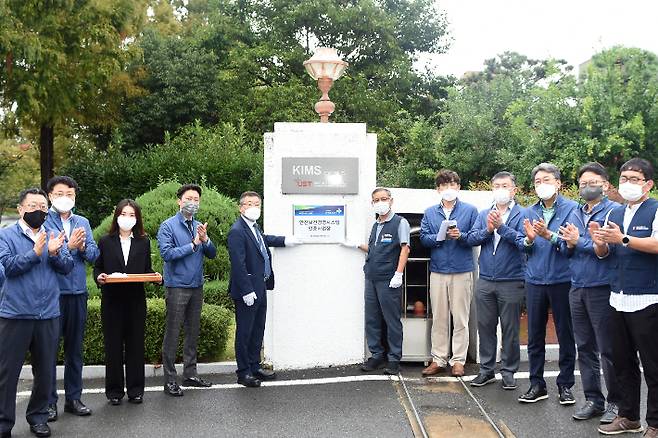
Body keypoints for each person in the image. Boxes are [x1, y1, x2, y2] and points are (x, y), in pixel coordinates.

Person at [592, 158, 658, 437]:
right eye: (624, 178)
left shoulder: (655, 210)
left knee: (654, 365)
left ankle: (655, 422)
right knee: (621, 361)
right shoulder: (615, 213)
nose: (628, 183)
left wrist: (624, 239)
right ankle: (629, 416)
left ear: (648, 184)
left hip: (648, 298)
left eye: (634, 178)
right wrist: (599, 244)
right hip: (616, 297)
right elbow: (605, 255)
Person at [0, 188, 73, 438]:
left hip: (48, 315)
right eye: (32, 206)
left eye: (43, 207)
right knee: (7, 374)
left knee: (45, 371)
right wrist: (35, 254)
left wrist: (53, 253)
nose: (38, 211)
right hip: (15, 315)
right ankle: (3, 423)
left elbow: (67, 266)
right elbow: (9, 267)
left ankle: (39, 417)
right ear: (20, 209)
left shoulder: (54, 234)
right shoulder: (6, 236)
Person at [557, 163, 621, 423]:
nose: (586, 187)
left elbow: (609, 251)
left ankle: (617, 403)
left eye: (592, 182)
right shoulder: (574, 212)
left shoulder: (614, 212)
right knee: (584, 347)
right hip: (577, 286)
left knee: (609, 349)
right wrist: (571, 244)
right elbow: (564, 248)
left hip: (602, 288)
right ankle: (594, 399)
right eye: (582, 183)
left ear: (605, 184)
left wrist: (578, 242)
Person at [518, 162, 578, 405]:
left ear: (558, 183)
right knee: (534, 335)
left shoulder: (572, 209)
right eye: (537, 182)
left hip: (562, 279)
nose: (541, 185)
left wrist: (548, 236)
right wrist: (530, 241)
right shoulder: (528, 212)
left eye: (546, 180)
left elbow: (571, 248)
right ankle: (536, 384)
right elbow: (523, 246)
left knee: (565, 333)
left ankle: (565, 385)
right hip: (534, 280)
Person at [227, 191, 299, 387]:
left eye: (257, 203)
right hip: (247, 290)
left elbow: (263, 240)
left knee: (258, 328)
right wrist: (246, 290)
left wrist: (285, 240)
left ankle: (254, 365)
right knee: (245, 332)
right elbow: (238, 264)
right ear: (241, 207)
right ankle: (243, 372)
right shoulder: (237, 231)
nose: (254, 207)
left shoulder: (253, 227)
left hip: (261, 286)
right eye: (249, 203)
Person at [45, 176, 99, 421]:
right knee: (49, 351)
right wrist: (70, 246)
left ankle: (73, 398)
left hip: (77, 292)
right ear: (50, 196)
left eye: (70, 194)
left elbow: (94, 254)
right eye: (59, 193)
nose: (65, 198)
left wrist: (83, 246)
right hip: (52, 294)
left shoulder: (83, 222)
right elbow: (47, 255)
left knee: (74, 350)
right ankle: (48, 402)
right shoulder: (43, 222)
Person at [465, 171, 526, 390]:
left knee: (510, 329)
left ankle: (508, 371)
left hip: (512, 280)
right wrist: (489, 230)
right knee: (485, 327)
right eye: (497, 186)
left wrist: (502, 228)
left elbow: (523, 242)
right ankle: (486, 370)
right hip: (486, 280)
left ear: (514, 190)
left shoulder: (523, 214)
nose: (501, 189)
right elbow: (471, 239)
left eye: (505, 186)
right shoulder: (484, 214)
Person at [94, 199, 155, 406]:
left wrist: (155, 276)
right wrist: (99, 277)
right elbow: (97, 267)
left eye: (132, 215)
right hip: (112, 301)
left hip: (136, 301)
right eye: (124, 214)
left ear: (137, 218)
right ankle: (114, 391)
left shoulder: (143, 241)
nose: (127, 218)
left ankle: (136, 390)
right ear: (116, 216)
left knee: (136, 346)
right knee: (113, 347)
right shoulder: (105, 241)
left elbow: (146, 269)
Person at [158, 184, 217, 396]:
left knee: (193, 333)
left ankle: (190, 374)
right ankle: (170, 380)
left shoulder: (199, 226)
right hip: (176, 287)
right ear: (179, 201)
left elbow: (212, 253)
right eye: (189, 199)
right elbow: (167, 254)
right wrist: (192, 245)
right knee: (173, 334)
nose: (193, 203)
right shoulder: (168, 226)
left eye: (196, 200)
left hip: (196, 286)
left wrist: (205, 240)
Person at [420, 169, 478, 377]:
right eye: (444, 186)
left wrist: (460, 236)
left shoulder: (470, 211)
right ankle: (438, 359)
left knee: (461, 318)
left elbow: (475, 237)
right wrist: (440, 237)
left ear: (459, 187)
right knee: (439, 317)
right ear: (437, 190)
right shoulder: (429, 212)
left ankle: (458, 361)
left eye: (452, 184)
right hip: (438, 270)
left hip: (462, 270)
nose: (448, 189)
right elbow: (423, 238)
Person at [355, 188, 410, 375]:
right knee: (372, 319)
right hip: (371, 277)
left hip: (388, 279)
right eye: (376, 200)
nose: (380, 202)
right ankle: (377, 355)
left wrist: (398, 274)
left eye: (384, 199)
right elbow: (373, 250)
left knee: (391, 320)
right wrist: (354, 244)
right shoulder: (375, 225)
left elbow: (405, 249)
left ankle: (394, 359)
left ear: (391, 201)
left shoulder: (400, 222)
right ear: (372, 203)